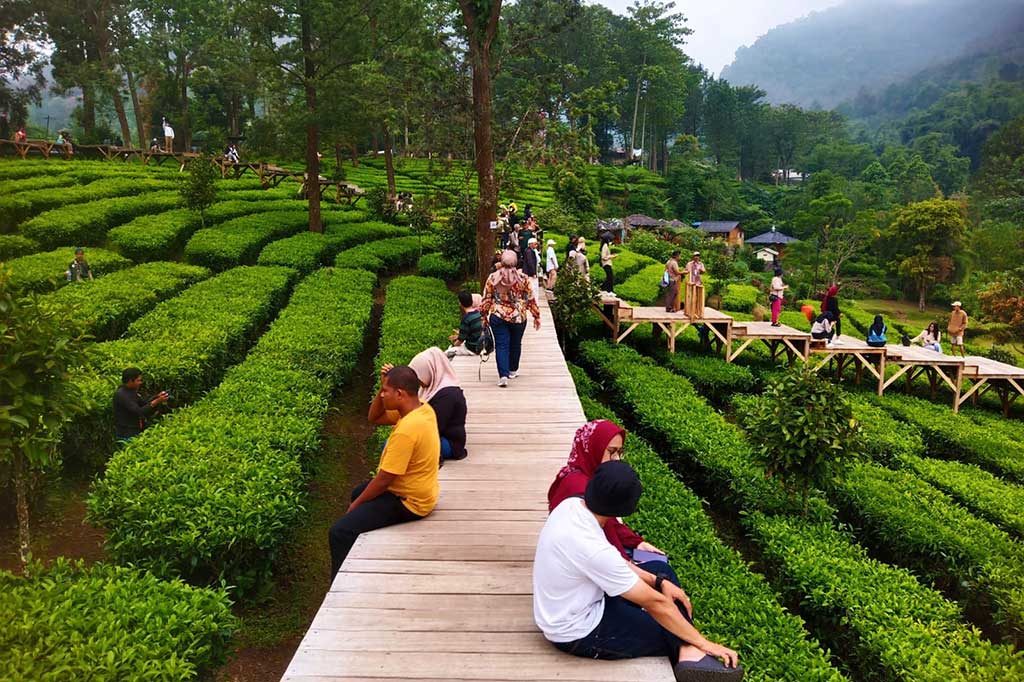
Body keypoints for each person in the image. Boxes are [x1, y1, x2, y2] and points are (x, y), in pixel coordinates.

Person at [534, 461, 743, 681]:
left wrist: (659, 581)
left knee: (660, 569)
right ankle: (691, 652)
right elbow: (654, 603)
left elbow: (617, 563)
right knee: (665, 628)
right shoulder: (592, 549)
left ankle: (687, 650)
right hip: (576, 631)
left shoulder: (572, 505)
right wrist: (705, 642)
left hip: (583, 601)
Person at [329, 365, 440, 577]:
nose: (381, 394)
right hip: (418, 490)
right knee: (357, 492)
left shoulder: (407, 430)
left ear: (399, 394)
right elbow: (374, 418)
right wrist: (383, 387)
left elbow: (384, 479)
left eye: (385, 391)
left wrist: (355, 506)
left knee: (340, 531)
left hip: (409, 501)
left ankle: (339, 583)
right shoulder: (421, 409)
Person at [549, 421, 668, 567]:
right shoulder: (581, 487)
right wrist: (631, 563)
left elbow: (610, 523)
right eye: (611, 451)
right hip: (583, 565)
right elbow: (606, 542)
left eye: (619, 452)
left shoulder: (581, 474)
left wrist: (638, 543)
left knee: (658, 561)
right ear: (594, 449)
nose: (617, 459)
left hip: (588, 558)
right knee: (661, 567)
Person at [479, 250, 541, 387]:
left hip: (498, 315)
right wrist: (536, 316)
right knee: (516, 343)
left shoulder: (493, 278)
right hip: (519, 317)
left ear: (502, 261)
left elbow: (486, 298)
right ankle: (513, 370)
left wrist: (483, 315)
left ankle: (503, 375)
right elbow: (530, 298)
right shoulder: (523, 278)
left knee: (501, 345)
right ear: (516, 261)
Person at [400, 348, 468, 462]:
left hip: (448, 442)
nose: (417, 382)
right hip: (435, 437)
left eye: (418, 377)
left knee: (399, 445)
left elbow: (434, 427)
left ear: (429, 370)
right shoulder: (432, 388)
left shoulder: (448, 395)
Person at [113, 368, 169, 445]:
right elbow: (139, 412)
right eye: (138, 380)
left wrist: (157, 397)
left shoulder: (131, 391)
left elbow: (144, 403)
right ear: (130, 381)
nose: (140, 383)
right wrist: (157, 401)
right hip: (127, 434)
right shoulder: (122, 395)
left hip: (135, 430)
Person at [447, 290, 485, 358]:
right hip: (481, 346)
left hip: (472, 349)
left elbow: (460, 340)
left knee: (447, 352)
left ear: (460, 303)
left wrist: (454, 345)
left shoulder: (466, 318)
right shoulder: (478, 314)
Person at [683, 252, 706, 319]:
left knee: (697, 296)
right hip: (691, 282)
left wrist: (701, 270)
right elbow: (686, 270)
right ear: (693, 257)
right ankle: (689, 310)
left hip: (698, 282)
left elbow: (704, 271)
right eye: (695, 256)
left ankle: (696, 310)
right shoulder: (689, 264)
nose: (696, 257)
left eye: (698, 256)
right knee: (690, 296)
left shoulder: (701, 264)